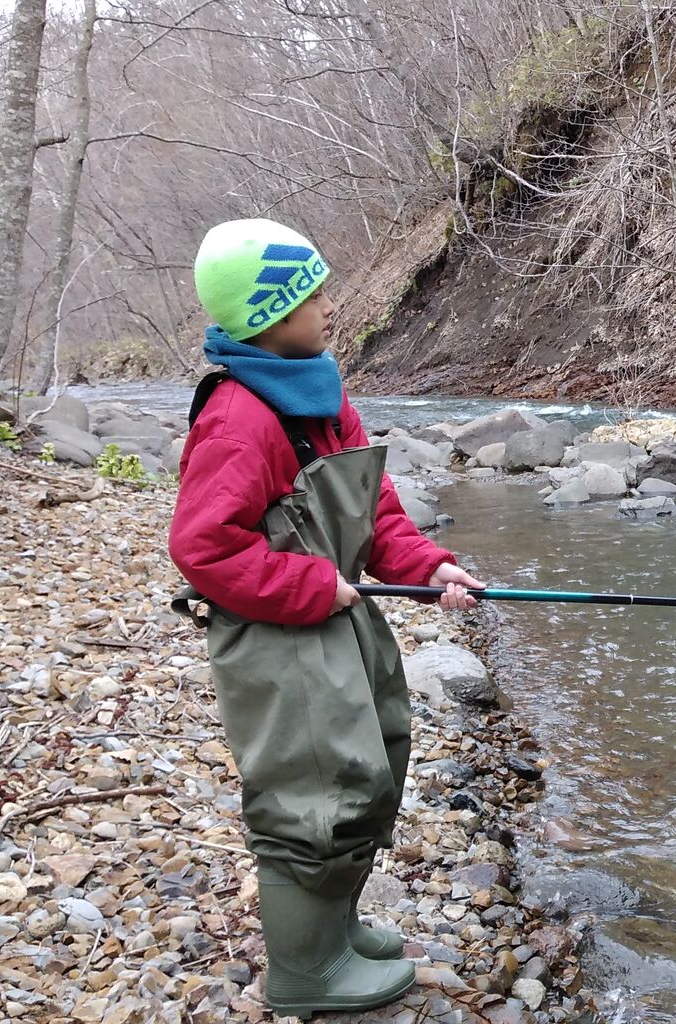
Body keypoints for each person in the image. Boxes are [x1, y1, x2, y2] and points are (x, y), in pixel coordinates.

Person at [167, 218, 484, 1018]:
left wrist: (428, 568)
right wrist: (311, 586)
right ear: (269, 312)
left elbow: (372, 511)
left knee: (370, 765)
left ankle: (334, 933)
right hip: (277, 638)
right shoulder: (239, 417)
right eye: (311, 294)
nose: (329, 307)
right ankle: (305, 971)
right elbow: (203, 548)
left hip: (337, 621)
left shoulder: (318, 389)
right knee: (313, 794)